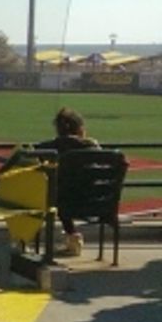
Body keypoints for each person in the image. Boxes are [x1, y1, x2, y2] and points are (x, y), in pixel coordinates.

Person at [34, 107, 101, 256]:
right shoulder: (93, 147)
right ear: (80, 128)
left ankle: (24, 240)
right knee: (65, 193)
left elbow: (30, 156)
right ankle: (73, 239)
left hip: (63, 203)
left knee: (59, 194)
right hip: (95, 203)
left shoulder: (48, 148)